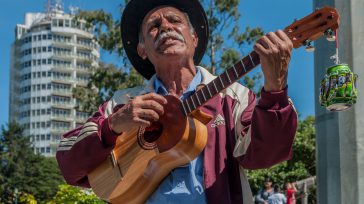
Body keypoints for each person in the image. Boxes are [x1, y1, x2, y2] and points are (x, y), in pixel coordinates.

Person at [56, 0, 298, 203]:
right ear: (142, 49)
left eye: (175, 20)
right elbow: (69, 163)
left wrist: (275, 90)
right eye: (154, 25)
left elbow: (267, 155)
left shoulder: (232, 97)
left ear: (194, 38)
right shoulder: (122, 103)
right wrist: (113, 124)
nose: (165, 28)